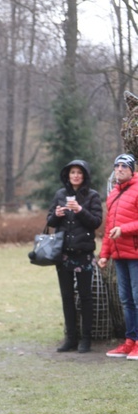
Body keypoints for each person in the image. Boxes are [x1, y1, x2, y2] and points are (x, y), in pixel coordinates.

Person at [45, 160, 102, 353]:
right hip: (63, 255)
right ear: (67, 176)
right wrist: (58, 214)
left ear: (84, 175)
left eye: (79, 172)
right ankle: (71, 338)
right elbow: (50, 220)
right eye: (72, 172)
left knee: (86, 297)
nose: (76, 175)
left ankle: (86, 339)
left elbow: (96, 222)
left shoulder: (92, 196)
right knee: (67, 297)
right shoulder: (60, 194)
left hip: (84, 254)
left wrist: (79, 210)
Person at [98, 153, 138, 359]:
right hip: (119, 255)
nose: (120, 169)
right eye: (117, 166)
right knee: (126, 300)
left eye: (124, 166)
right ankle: (130, 341)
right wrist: (104, 255)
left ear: (132, 170)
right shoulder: (113, 194)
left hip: (136, 254)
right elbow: (108, 229)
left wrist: (124, 229)